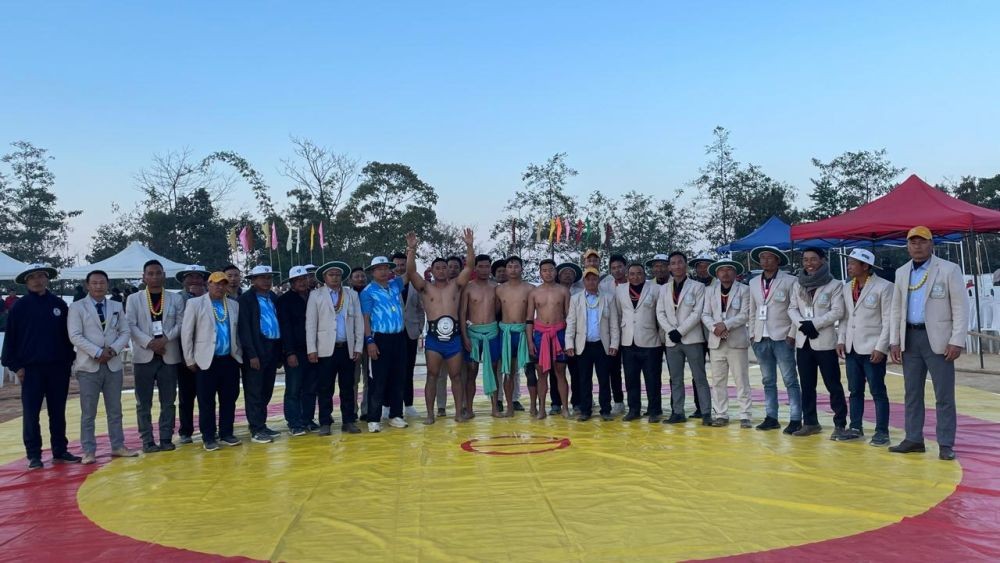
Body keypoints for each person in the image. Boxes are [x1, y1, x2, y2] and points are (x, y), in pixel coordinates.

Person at [889, 226, 967, 461]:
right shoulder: (902, 272)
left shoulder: (948, 269)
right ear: (907, 246)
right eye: (913, 242)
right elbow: (895, 309)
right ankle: (913, 438)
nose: (917, 246)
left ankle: (945, 443)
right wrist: (894, 341)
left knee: (943, 395)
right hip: (910, 338)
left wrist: (957, 340)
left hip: (940, 340)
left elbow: (961, 307)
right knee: (911, 393)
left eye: (922, 242)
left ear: (931, 244)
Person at [2, 263, 80, 469]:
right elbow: (10, 340)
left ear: (47, 278)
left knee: (57, 411)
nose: (37, 280)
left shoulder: (59, 305)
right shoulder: (19, 307)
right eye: (32, 277)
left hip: (57, 368)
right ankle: (34, 455)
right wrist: (16, 366)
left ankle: (59, 450)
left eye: (40, 276)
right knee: (31, 413)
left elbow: (69, 337)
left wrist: (69, 361)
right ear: (27, 282)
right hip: (31, 370)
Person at [67, 270, 137, 464]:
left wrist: (113, 350)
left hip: (113, 364)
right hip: (88, 366)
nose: (99, 286)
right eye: (95, 283)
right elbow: (75, 335)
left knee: (115, 409)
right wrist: (98, 352)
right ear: (88, 285)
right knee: (88, 412)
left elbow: (125, 331)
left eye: (102, 283)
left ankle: (118, 446)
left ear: (107, 284)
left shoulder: (116, 306)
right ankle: (88, 450)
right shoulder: (77, 307)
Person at [407, 230, 475, 423]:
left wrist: (469, 246)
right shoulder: (425, 288)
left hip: (453, 339)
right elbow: (411, 272)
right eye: (437, 268)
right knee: (432, 375)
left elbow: (469, 267)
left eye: (444, 267)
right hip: (434, 340)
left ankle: (458, 413)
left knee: (456, 376)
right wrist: (411, 250)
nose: (442, 270)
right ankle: (430, 414)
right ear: (432, 270)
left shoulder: (456, 285)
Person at [788, 248, 847, 439]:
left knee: (833, 384)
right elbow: (792, 308)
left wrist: (815, 324)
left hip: (825, 342)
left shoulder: (835, 284)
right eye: (805, 260)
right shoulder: (798, 284)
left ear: (823, 260)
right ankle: (811, 422)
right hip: (803, 341)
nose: (809, 263)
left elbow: (838, 311)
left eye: (813, 259)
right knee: (807, 384)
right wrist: (802, 325)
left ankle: (840, 423)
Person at [127, 259, 185, 453]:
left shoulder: (175, 299)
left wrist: (165, 340)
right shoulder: (133, 299)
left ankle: (166, 437)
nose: (154, 277)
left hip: (168, 353)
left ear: (164, 275)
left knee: (168, 401)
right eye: (150, 273)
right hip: (144, 356)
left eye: (158, 273)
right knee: (143, 402)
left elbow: (180, 323)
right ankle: (147, 440)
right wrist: (150, 343)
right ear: (144, 277)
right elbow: (131, 325)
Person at [836, 249, 893, 446]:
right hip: (852, 347)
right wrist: (841, 339)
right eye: (849, 262)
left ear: (865, 266)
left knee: (877, 391)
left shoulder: (884, 287)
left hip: (872, 348)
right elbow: (845, 317)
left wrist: (881, 347)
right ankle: (855, 427)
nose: (849, 266)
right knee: (854, 390)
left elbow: (888, 320)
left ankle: (882, 431)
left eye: (853, 263)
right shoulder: (846, 287)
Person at [181, 272, 243, 451]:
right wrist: (189, 358)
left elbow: (237, 332)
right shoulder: (195, 303)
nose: (220, 287)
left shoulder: (233, 305)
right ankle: (208, 437)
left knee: (229, 399)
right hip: (205, 360)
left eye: (223, 284)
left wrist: (238, 353)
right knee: (206, 401)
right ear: (208, 285)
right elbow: (187, 333)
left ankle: (226, 433)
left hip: (229, 359)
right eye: (216, 284)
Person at [747, 246, 802, 433]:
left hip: (782, 335)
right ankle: (771, 416)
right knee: (767, 380)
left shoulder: (790, 281)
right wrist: (752, 335)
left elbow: (795, 308)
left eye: (770, 258)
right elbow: (752, 310)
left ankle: (795, 418)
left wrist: (792, 334)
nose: (765, 261)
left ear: (778, 260)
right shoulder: (753, 282)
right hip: (760, 336)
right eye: (762, 258)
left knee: (790, 379)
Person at [307, 261, 364, 435]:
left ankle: (348, 421)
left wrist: (358, 346)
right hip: (325, 349)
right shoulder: (316, 295)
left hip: (346, 347)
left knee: (348, 386)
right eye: (331, 275)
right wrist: (312, 348)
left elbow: (359, 322)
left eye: (338, 275)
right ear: (324, 277)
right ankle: (325, 422)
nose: (335, 278)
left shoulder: (351, 294)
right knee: (325, 388)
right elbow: (310, 324)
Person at [657, 251, 711, 425]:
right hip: (672, 340)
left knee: (699, 377)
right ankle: (678, 412)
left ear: (685, 265)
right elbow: (660, 312)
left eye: (680, 262)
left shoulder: (697, 287)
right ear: (669, 267)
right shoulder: (664, 288)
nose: (677, 266)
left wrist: (680, 331)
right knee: (676, 379)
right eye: (673, 263)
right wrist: (671, 331)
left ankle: (706, 412)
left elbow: (697, 313)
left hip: (692, 338)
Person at [361, 256, 410, 433]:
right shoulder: (367, 292)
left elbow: (409, 272)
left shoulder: (395, 284)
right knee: (377, 380)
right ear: (373, 272)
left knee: (398, 378)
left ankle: (396, 415)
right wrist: (369, 341)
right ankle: (373, 418)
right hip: (379, 338)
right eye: (379, 269)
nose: (383, 271)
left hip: (398, 337)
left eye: (386, 268)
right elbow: (365, 319)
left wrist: (411, 250)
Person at [701, 260, 752, 428]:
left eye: (729, 269)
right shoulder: (709, 291)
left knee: (741, 380)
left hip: (736, 339)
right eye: (721, 270)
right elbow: (705, 314)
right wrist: (714, 327)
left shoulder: (744, 289)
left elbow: (745, 314)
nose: (725, 273)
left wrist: (726, 324)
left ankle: (745, 415)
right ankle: (721, 414)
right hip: (716, 340)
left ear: (735, 272)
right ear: (716, 273)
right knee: (718, 381)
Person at [565, 267, 620, 421]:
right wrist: (569, 344)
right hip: (583, 345)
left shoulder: (608, 298)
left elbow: (614, 324)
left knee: (604, 379)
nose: (591, 282)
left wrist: (614, 344)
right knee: (584, 379)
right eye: (588, 279)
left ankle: (606, 410)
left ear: (598, 281)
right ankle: (585, 410)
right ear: (584, 281)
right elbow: (571, 323)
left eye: (594, 279)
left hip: (602, 345)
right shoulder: (576, 299)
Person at [237, 265, 283, 444]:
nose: (266, 281)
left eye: (269, 277)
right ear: (253, 280)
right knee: (254, 390)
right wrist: (251, 354)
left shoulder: (273, 297)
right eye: (262, 277)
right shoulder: (246, 300)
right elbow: (245, 330)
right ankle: (256, 428)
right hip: (257, 348)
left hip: (273, 347)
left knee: (267, 389)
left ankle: (261, 424)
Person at [615, 263, 663, 422]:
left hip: (651, 340)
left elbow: (660, 314)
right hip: (628, 341)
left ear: (644, 274)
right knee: (630, 378)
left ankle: (654, 410)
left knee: (652, 379)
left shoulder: (655, 289)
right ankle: (634, 409)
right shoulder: (620, 290)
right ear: (627, 275)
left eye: (639, 273)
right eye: (632, 273)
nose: (636, 276)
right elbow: (619, 314)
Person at [528, 259, 572, 419]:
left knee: (560, 372)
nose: (548, 273)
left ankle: (565, 408)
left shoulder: (563, 291)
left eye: (551, 270)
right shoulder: (534, 292)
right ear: (540, 273)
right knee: (542, 374)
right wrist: (530, 341)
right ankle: (541, 409)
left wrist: (569, 340)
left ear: (556, 272)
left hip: (559, 332)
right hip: (540, 335)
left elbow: (569, 317)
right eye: (545, 270)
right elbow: (529, 320)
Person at [461, 254, 503, 417]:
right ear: (475, 268)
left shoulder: (496, 287)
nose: (484, 270)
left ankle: (494, 408)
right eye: (481, 266)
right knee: (471, 370)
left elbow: (499, 309)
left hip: (492, 331)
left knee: (493, 369)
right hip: (473, 333)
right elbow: (463, 314)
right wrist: (465, 337)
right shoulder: (468, 287)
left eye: (487, 266)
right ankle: (469, 409)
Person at [277, 265, 316, 436]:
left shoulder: (314, 297)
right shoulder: (284, 301)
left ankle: (307, 419)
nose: (302, 282)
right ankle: (294, 422)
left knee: (310, 387)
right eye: (298, 280)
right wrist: (289, 352)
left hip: (313, 350)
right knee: (293, 388)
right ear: (291, 283)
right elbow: (285, 329)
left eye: (304, 279)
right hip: (295, 351)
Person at [496, 256, 534, 414]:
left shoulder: (530, 288)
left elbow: (532, 315)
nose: (513, 269)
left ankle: (533, 406)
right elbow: (495, 312)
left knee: (530, 370)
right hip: (506, 333)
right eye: (510, 266)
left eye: (516, 266)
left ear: (521, 268)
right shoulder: (499, 289)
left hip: (524, 332)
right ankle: (509, 407)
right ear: (506, 269)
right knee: (508, 371)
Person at [175, 264, 208, 443]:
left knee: (206, 395)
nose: (195, 280)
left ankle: (207, 429)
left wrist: (201, 297)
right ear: (184, 280)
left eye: (198, 276)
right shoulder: (176, 299)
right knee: (186, 396)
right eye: (190, 276)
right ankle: (185, 430)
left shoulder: (211, 298)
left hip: (207, 353)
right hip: (184, 354)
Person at [393, 252, 425, 419]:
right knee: (391, 370)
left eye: (402, 264)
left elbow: (420, 309)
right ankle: (387, 405)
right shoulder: (387, 285)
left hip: (410, 332)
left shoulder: (415, 284)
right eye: (396, 265)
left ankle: (409, 404)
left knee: (408, 370)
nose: (400, 267)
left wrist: (419, 328)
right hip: (392, 333)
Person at [599, 253, 628, 415]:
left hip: (631, 331)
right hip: (612, 333)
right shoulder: (605, 285)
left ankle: (634, 402)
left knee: (632, 369)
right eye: (613, 268)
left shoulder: (635, 282)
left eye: (619, 267)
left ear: (625, 266)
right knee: (613, 369)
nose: (617, 271)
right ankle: (618, 401)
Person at [555, 262, 583, 414]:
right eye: (564, 273)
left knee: (576, 370)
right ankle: (556, 403)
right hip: (556, 334)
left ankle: (577, 402)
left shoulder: (580, 291)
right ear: (558, 275)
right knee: (556, 370)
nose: (567, 275)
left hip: (576, 335)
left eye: (570, 273)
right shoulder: (552, 290)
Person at [349, 266, 371, 420]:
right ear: (350, 279)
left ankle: (367, 409)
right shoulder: (347, 295)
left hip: (370, 342)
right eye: (357, 276)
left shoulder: (371, 293)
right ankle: (352, 410)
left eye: (362, 276)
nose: (360, 279)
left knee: (369, 378)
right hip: (353, 343)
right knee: (353, 380)